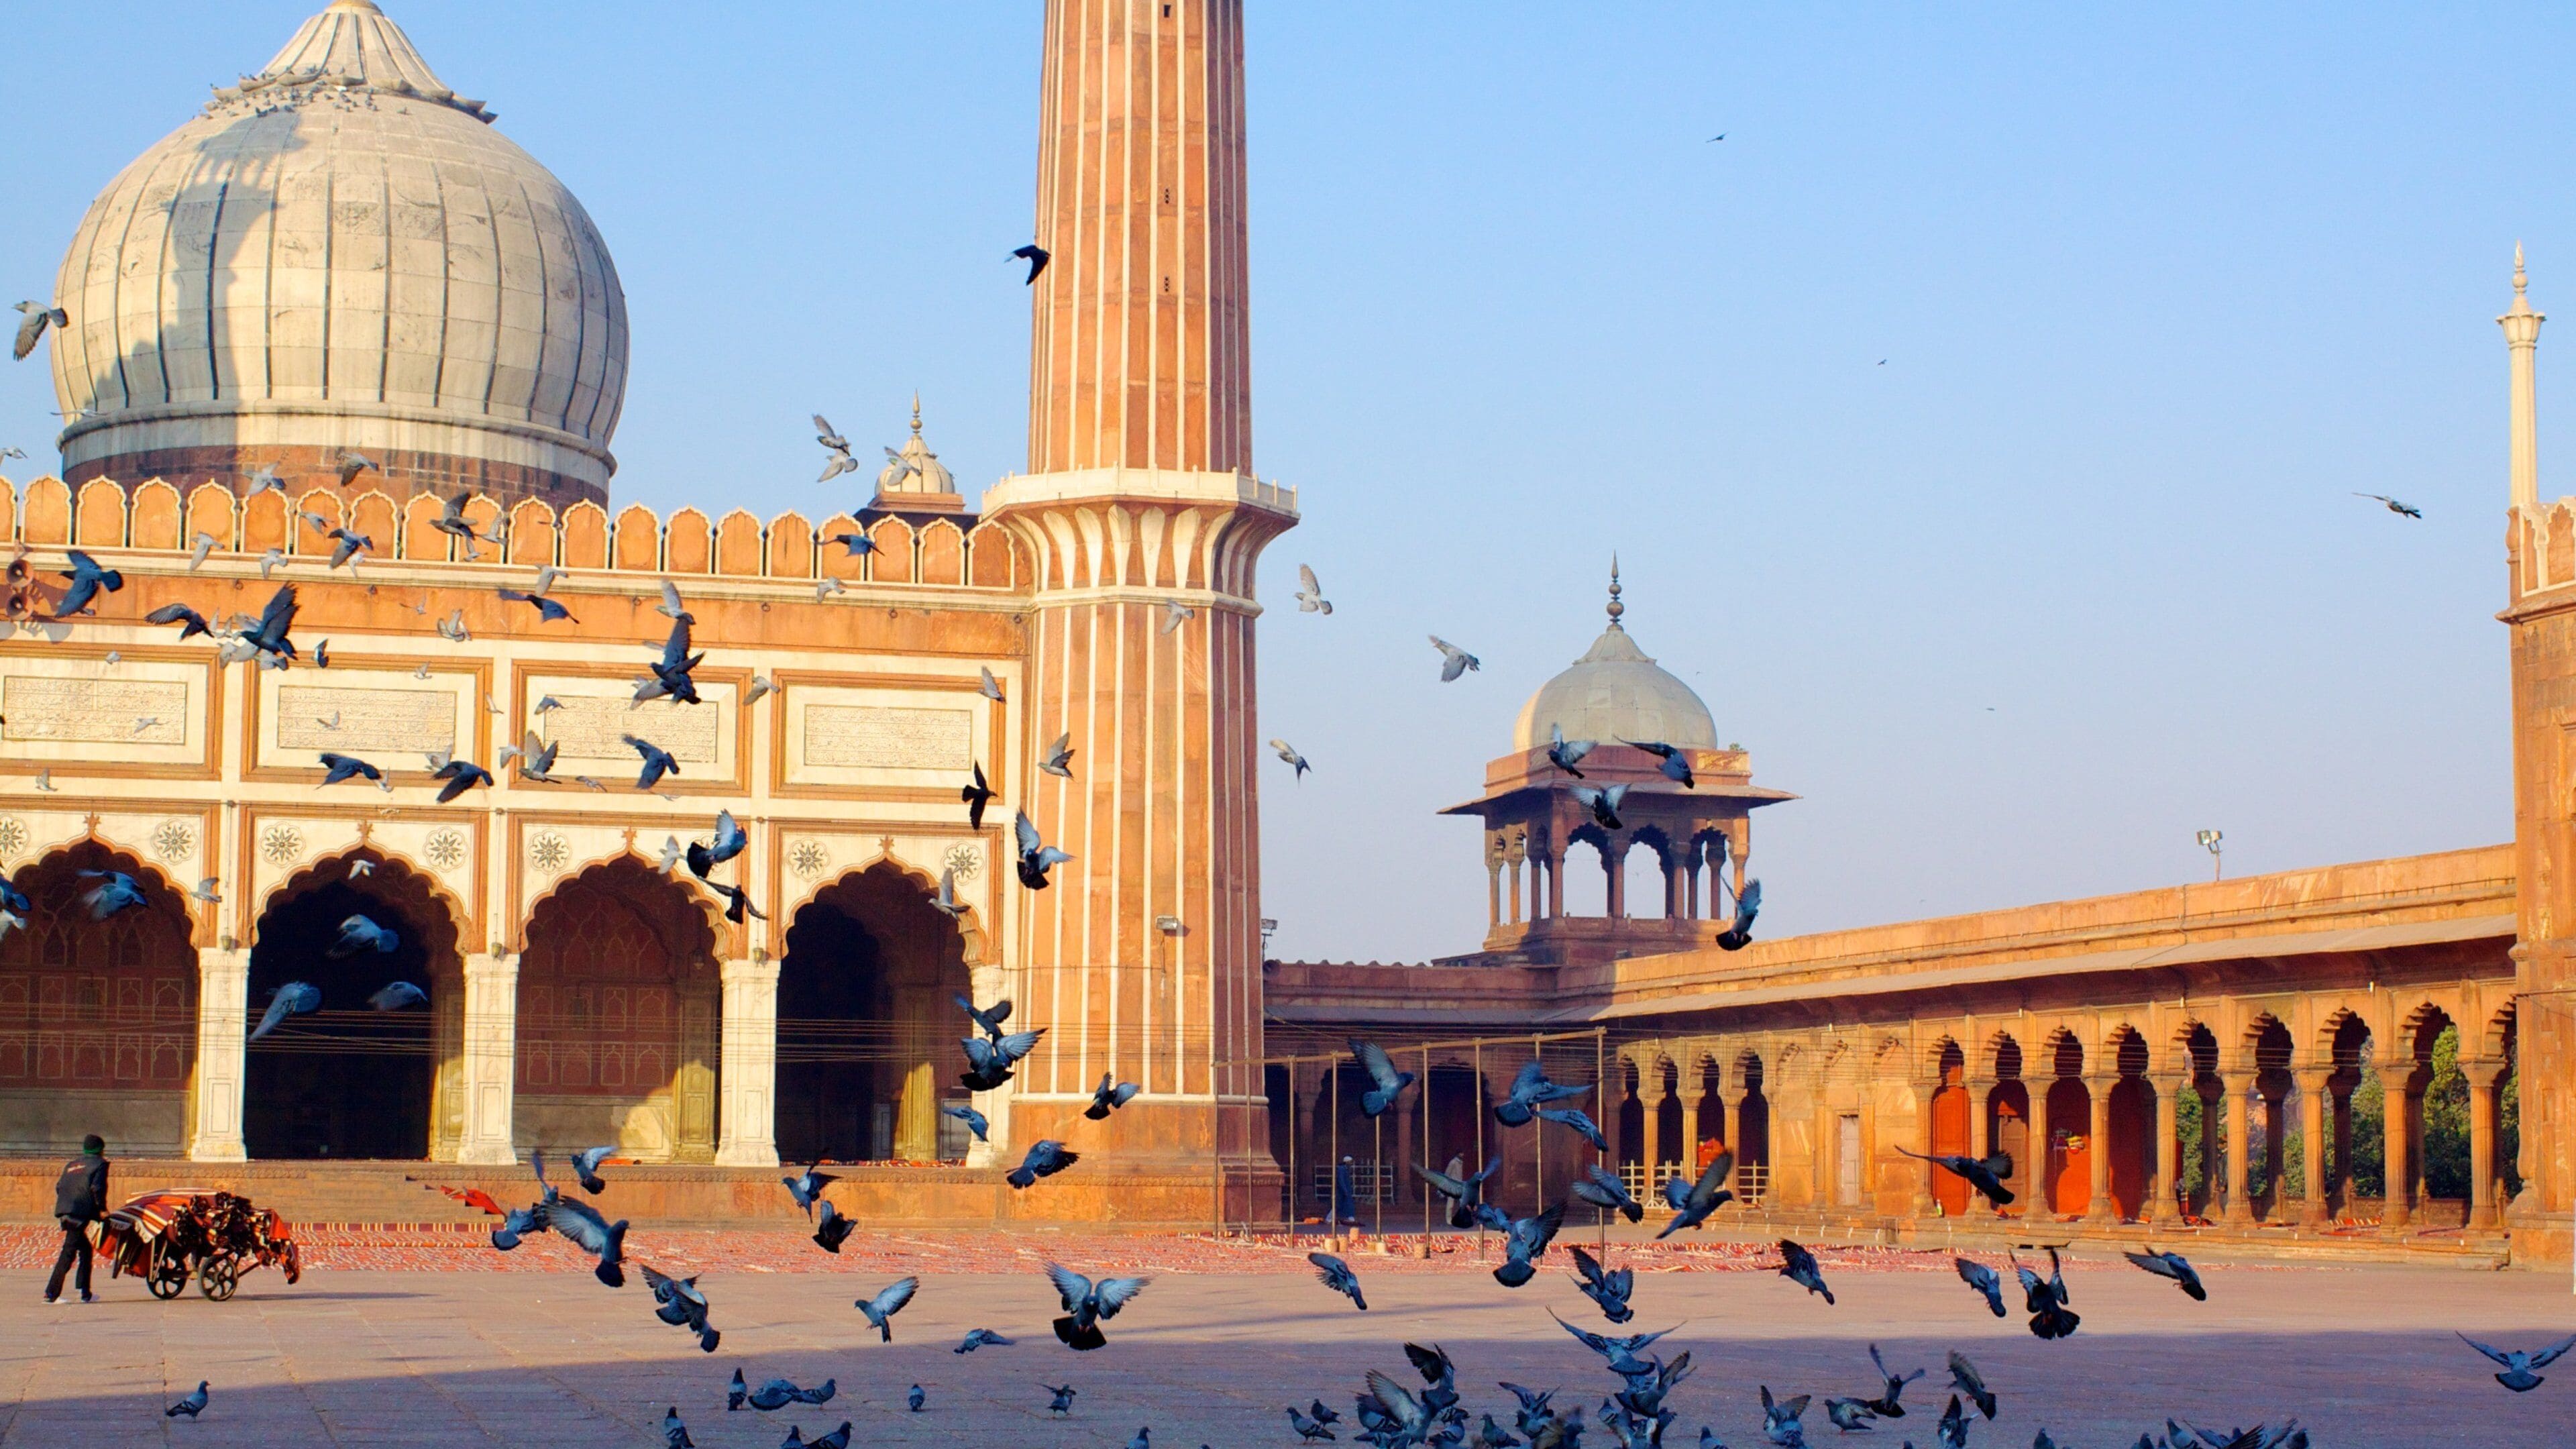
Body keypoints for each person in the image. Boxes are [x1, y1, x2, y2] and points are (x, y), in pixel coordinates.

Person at [44, 1134, 109, 1304]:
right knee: (68, 1253)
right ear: (101, 1150)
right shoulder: (100, 1164)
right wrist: (102, 1209)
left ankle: (85, 1292)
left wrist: (68, 1203)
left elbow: (59, 1186)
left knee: (86, 1250)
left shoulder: (72, 1165)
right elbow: (97, 1188)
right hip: (79, 1213)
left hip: (66, 1211)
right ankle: (51, 1294)